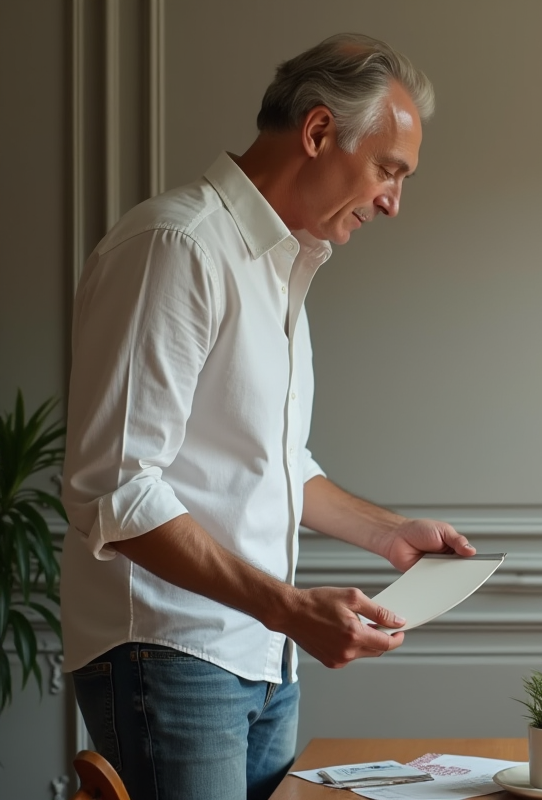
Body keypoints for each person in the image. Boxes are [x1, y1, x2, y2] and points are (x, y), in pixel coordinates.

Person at [60, 33, 472, 800]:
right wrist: (289, 608)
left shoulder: (280, 267)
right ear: (318, 133)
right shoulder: (176, 245)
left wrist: (387, 534)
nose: (393, 201)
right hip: (171, 654)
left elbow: (275, 464)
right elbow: (114, 489)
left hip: (259, 659)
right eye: (389, 170)